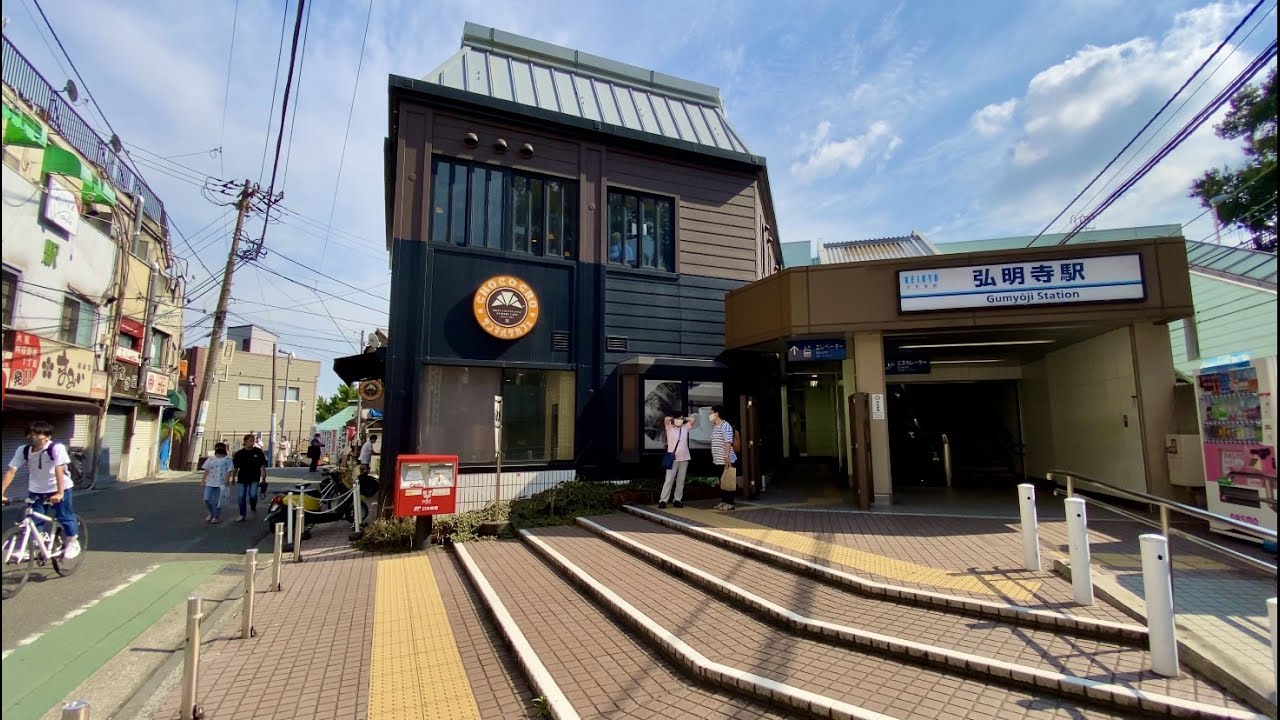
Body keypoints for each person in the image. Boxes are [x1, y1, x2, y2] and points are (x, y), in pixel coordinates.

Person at [1, 421, 81, 559]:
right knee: (34, 518)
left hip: (60, 487)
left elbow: (59, 469)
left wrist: (60, 492)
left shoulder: (56, 448)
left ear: (47, 437)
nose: (32, 437)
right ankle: (32, 547)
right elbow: (11, 471)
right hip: (37, 489)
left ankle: (72, 541)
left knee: (64, 516)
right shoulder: (23, 450)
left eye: (37, 434)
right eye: (30, 434)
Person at [658, 414, 696, 509]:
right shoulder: (669, 427)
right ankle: (663, 500)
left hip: (684, 457)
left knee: (681, 480)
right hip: (673, 458)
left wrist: (684, 418)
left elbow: (693, 419)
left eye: (681, 418)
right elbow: (666, 419)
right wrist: (673, 419)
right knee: (669, 479)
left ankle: (677, 499)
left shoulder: (685, 427)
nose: (679, 420)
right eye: (678, 418)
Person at [231, 433, 268, 522]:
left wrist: (263, 473)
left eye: (253, 441)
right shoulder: (239, 454)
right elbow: (236, 467)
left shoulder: (258, 451)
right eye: (250, 441)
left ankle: (253, 506)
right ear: (245, 442)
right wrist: (233, 477)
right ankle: (242, 514)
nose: (252, 443)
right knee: (241, 496)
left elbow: (263, 464)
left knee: (253, 495)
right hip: (242, 477)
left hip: (254, 476)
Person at [709, 405, 737, 511]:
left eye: (711, 412)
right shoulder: (716, 426)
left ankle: (730, 503)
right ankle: (724, 501)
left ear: (716, 414)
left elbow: (728, 442)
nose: (709, 415)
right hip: (717, 460)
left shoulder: (725, 425)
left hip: (725, 459)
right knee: (722, 481)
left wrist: (726, 457)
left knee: (728, 479)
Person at [201, 443, 233, 524]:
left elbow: (229, 471)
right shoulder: (210, 459)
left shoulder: (228, 459)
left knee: (217, 501)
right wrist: (203, 480)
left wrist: (227, 480)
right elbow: (206, 470)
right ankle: (211, 513)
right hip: (210, 482)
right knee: (206, 499)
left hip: (221, 483)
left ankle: (216, 516)